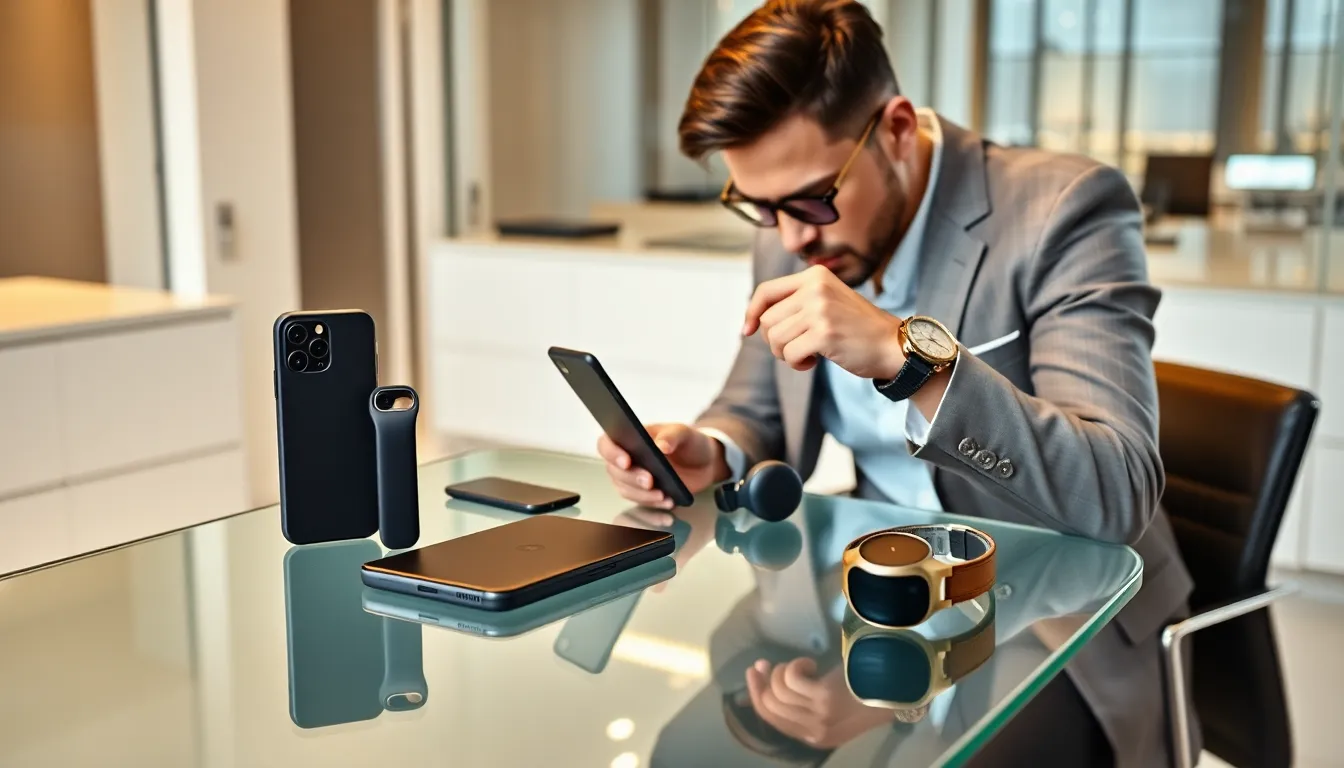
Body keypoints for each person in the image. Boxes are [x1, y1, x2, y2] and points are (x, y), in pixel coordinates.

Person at [597, 1, 1196, 766]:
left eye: (813, 199)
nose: (790, 238)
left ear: (899, 130)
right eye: (760, 207)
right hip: (872, 591)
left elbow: (1113, 493)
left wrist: (908, 357)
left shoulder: (1061, 210)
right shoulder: (795, 221)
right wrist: (712, 453)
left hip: (1049, 615)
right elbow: (755, 406)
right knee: (685, 753)